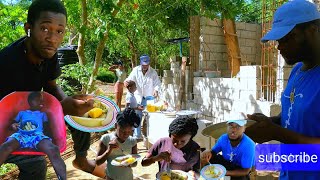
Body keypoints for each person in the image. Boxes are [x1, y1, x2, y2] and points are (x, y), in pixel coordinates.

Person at [0, 0, 99, 179]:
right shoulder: (7, 62)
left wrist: (66, 102)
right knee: (35, 163)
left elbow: (52, 87)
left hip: (29, 119)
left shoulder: (48, 53)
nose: (52, 38)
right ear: (28, 28)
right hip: (5, 125)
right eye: (45, 29)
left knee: (80, 117)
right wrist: (58, 108)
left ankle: (81, 159)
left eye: (59, 31)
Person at [243, 0, 320, 179]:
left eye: (287, 38)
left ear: (313, 30)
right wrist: (270, 122)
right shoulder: (296, 71)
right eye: (279, 40)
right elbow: (298, 118)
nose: (280, 47)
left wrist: (276, 133)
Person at [0, 91, 66, 179]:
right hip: (21, 134)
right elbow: (13, 124)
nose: (41, 102)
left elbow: (46, 127)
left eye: (41, 100)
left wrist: (49, 140)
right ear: (30, 102)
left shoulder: (42, 114)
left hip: (37, 136)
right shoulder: (22, 113)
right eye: (38, 100)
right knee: (5, 147)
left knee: (53, 149)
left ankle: (62, 178)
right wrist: (13, 126)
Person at [95, 107, 140, 180]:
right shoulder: (106, 139)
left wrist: (128, 163)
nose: (126, 135)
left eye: (129, 132)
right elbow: (98, 162)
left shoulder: (132, 141)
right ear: (116, 126)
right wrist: (109, 150)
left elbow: (135, 164)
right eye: (123, 131)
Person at [124, 54, 161, 139]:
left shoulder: (153, 72)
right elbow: (129, 79)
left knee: (149, 115)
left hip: (148, 97)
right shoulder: (135, 70)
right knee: (138, 116)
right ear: (141, 63)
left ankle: (149, 134)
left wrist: (156, 90)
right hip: (138, 96)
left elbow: (157, 83)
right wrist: (126, 81)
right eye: (143, 65)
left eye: (146, 65)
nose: (145, 66)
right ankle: (137, 136)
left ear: (149, 63)